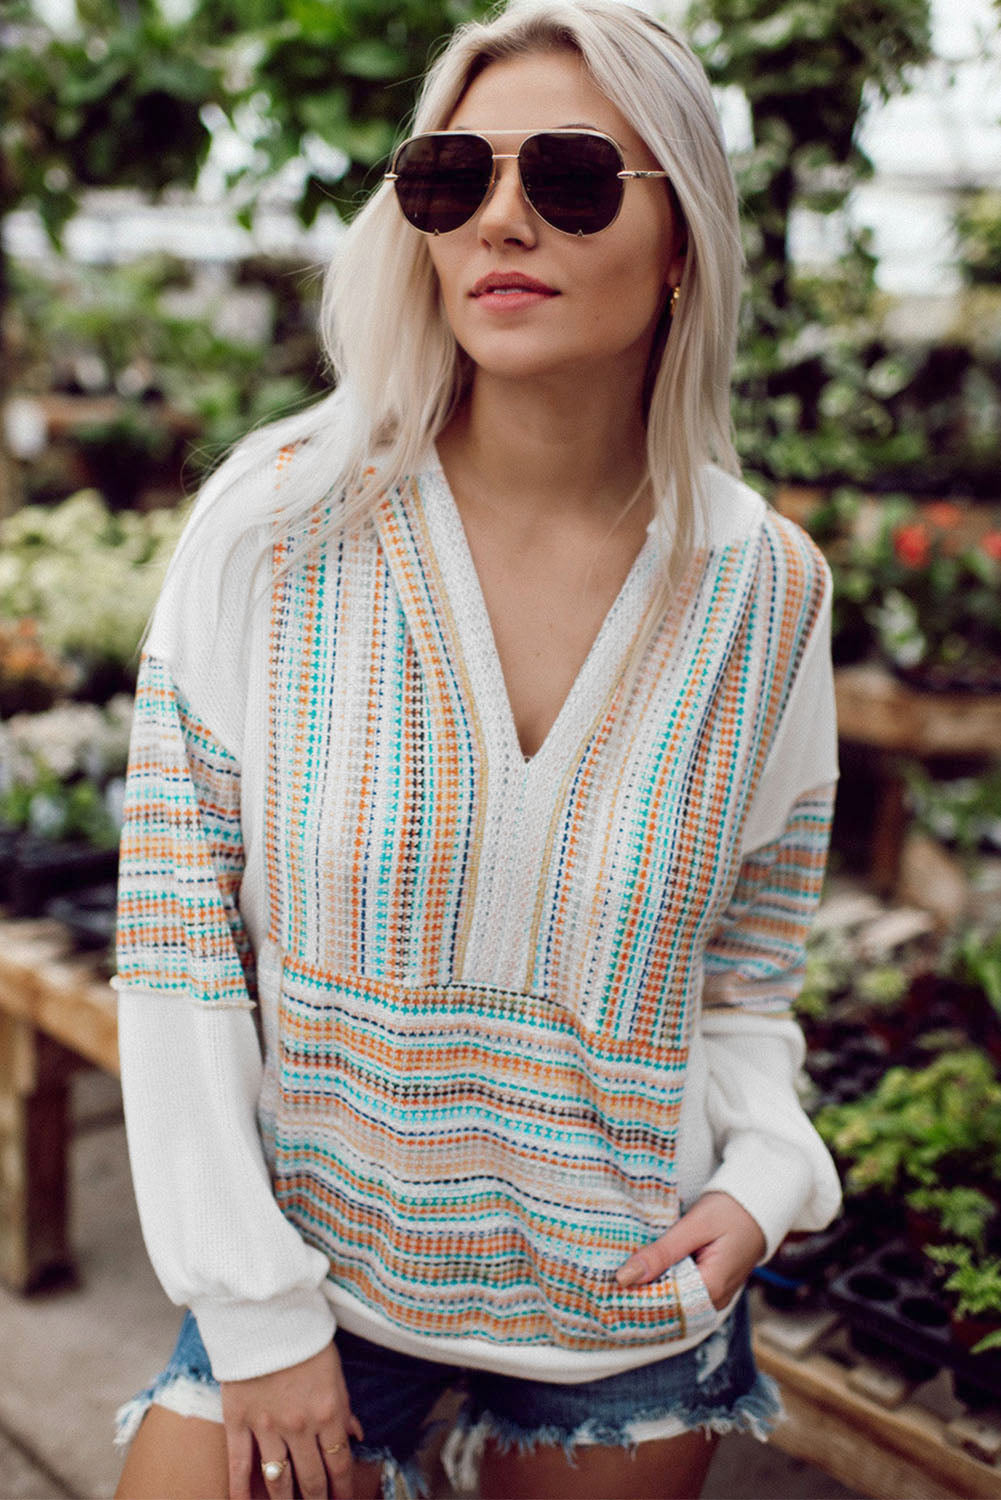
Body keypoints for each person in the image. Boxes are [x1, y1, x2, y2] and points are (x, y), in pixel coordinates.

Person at [112, 1, 843, 1496]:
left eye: (569, 178)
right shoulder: (281, 519)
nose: (501, 217)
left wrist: (767, 1178)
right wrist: (252, 1316)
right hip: (319, 1284)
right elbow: (176, 931)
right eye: (452, 178)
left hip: (629, 1306)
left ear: (682, 238)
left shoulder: (768, 587)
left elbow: (751, 965)